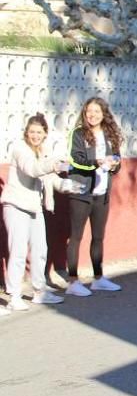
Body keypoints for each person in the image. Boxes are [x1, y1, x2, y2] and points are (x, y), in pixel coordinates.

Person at [1, 114, 70, 311]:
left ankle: (39, 291)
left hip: (34, 207)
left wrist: (70, 185)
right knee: (18, 252)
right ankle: (14, 295)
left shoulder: (43, 152)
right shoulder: (20, 149)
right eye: (32, 131)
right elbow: (32, 169)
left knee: (41, 250)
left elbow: (51, 179)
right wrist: (53, 164)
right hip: (15, 205)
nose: (35, 135)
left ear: (45, 133)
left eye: (39, 132)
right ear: (26, 132)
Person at [65, 97, 124, 297]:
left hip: (102, 194)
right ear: (84, 113)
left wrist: (115, 164)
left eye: (97, 111)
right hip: (81, 192)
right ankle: (72, 281)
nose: (92, 115)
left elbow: (117, 160)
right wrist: (97, 162)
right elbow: (76, 159)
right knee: (76, 237)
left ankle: (98, 279)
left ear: (103, 113)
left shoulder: (109, 135)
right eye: (89, 111)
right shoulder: (78, 133)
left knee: (98, 237)